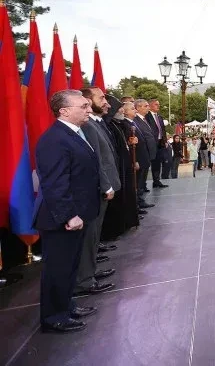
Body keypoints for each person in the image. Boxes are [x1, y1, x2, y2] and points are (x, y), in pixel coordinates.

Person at [33, 90, 102, 333]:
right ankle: (54, 317)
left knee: (70, 267)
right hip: (61, 218)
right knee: (58, 269)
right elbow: (54, 183)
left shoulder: (72, 134)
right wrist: (69, 215)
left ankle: (67, 306)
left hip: (77, 214)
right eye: (83, 106)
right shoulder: (54, 140)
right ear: (64, 111)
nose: (89, 109)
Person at [74, 87, 119, 296]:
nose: (106, 102)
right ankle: (84, 280)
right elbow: (96, 160)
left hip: (101, 186)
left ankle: (89, 273)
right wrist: (106, 184)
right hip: (97, 188)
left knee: (93, 236)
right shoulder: (88, 126)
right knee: (88, 238)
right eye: (101, 98)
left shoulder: (94, 123)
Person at [102, 96, 139, 239]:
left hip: (124, 164)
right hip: (117, 167)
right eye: (119, 109)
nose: (122, 111)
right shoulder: (109, 125)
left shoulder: (118, 124)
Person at [133, 99, 158, 207]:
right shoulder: (136, 120)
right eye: (146, 106)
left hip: (147, 153)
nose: (148, 108)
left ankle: (140, 200)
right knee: (139, 180)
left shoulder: (144, 119)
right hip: (142, 154)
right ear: (138, 108)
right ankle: (139, 201)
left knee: (142, 179)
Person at [145, 99, 169, 189]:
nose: (158, 106)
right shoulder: (147, 116)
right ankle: (143, 185)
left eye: (158, 104)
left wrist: (165, 141)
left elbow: (163, 130)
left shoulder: (159, 117)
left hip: (160, 143)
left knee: (158, 162)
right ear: (150, 105)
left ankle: (156, 181)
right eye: (156, 104)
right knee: (151, 163)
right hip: (152, 143)